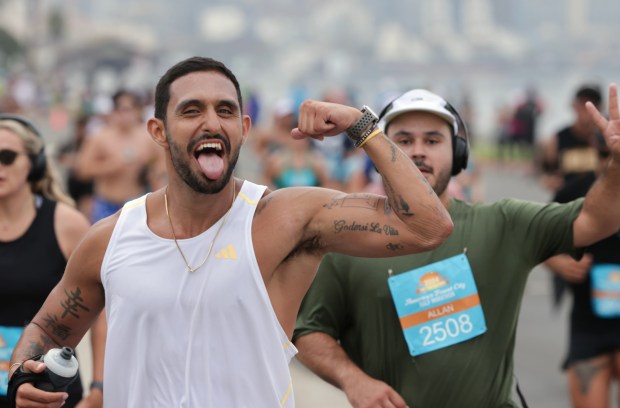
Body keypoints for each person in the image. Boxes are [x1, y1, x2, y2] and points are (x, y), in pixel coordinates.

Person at [7, 56, 453, 408]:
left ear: (242, 129)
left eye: (225, 110)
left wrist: (362, 125)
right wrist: (23, 379)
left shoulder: (285, 218)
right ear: (158, 132)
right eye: (191, 110)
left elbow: (427, 227)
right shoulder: (110, 239)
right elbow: (46, 329)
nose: (211, 122)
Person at [293, 86, 620, 407]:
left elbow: (594, 221)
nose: (418, 151)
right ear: (381, 154)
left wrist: (618, 167)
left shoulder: (503, 224)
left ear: (459, 153)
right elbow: (309, 332)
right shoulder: (350, 244)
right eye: (403, 141)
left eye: (433, 140)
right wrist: (354, 381)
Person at [0, 114, 101, 407]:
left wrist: (100, 388)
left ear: (35, 163)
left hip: (49, 389)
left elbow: (102, 314)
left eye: (7, 157)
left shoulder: (67, 225)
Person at [544, 145, 620, 408]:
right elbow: (537, 240)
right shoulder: (574, 191)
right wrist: (560, 264)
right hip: (588, 325)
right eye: (608, 157)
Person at [74, 89, 164, 223]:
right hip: (107, 204)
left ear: (137, 111)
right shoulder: (100, 137)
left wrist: (151, 175)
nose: (125, 115)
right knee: (105, 243)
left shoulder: (147, 137)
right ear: (114, 111)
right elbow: (81, 170)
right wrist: (112, 165)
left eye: (129, 109)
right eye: (121, 110)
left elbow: (161, 168)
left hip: (135, 203)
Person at [542, 84, 605, 193]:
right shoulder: (557, 139)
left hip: (596, 204)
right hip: (564, 204)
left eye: (592, 104)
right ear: (574, 106)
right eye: (582, 103)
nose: (585, 109)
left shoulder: (604, 140)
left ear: (599, 108)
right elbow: (546, 174)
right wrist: (550, 180)